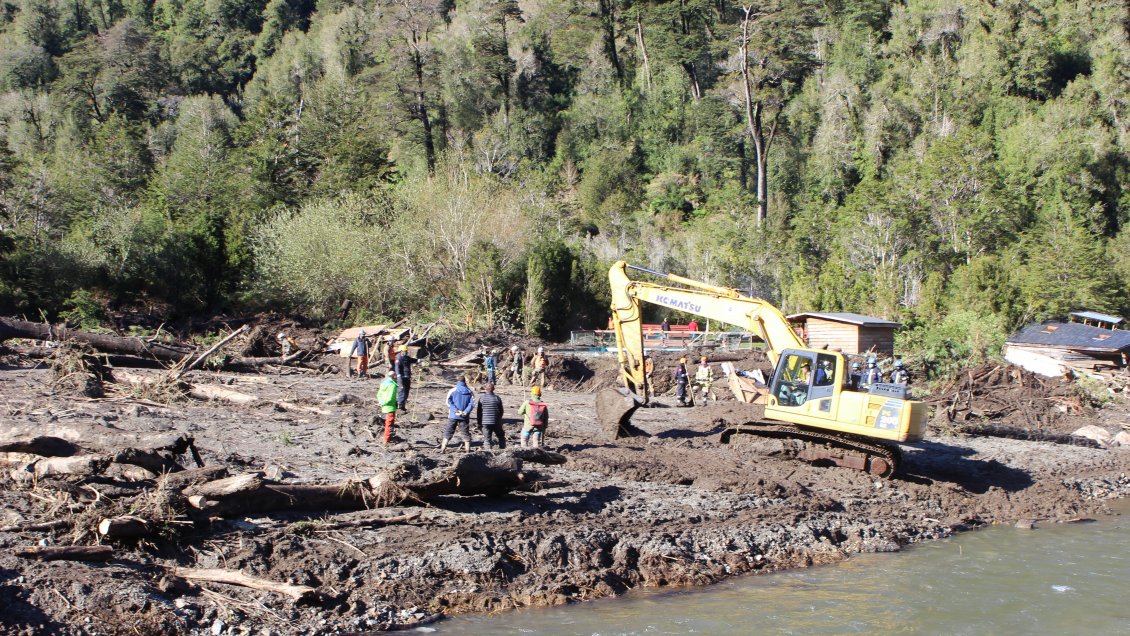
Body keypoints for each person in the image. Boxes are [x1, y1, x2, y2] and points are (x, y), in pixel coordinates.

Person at [441, 377, 475, 452]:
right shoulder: (469, 391)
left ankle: (443, 448)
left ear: (457, 381)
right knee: (465, 432)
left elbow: (448, 402)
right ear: (465, 382)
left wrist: (456, 410)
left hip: (453, 415)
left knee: (448, 431)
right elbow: (472, 403)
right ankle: (467, 450)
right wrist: (465, 411)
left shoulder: (453, 390)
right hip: (464, 416)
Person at [476, 382, 505, 450]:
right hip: (496, 421)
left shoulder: (482, 398)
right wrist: (499, 419)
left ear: (485, 389)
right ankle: (503, 450)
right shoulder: (497, 398)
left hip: (485, 422)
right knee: (501, 436)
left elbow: (479, 412)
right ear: (493, 389)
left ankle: (488, 452)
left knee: (487, 439)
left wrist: (479, 422)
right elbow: (501, 411)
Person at [376, 373, 399, 444]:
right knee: (389, 422)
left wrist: (381, 402)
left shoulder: (383, 384)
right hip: (390, 406)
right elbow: (390, 397)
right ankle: (387, 439)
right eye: (396, 375)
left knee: (387, 422)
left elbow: (378, 394)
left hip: (384, 406)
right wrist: (384, 403)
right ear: (393, 376)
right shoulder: (392, 385)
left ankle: (387, 437)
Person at [394, 344, 413, 411]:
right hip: (401, 377)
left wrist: (419, 360)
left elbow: (412, 360)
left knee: (406, 391)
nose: (406, 352)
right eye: (404, 351)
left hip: (407, 377)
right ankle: (400, 405)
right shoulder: (399, 359)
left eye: (406, 351)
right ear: (401, 351)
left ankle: (403, 405)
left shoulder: (407, 358)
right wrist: (399, 376)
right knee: (401, 391)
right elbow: (397, 368)